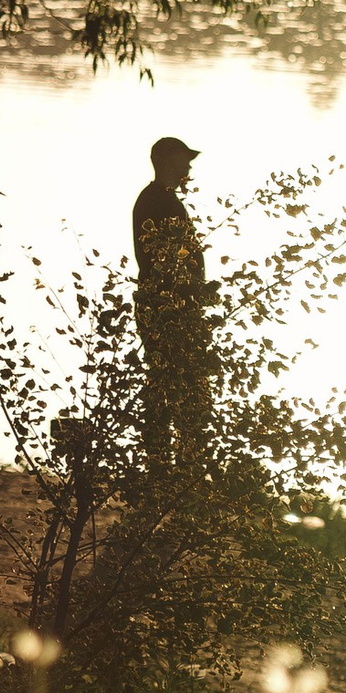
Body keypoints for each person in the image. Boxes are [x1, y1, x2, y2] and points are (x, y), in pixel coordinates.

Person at [132, 134, 210, 478]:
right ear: (166, 163)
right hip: (166, 308)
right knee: (170, 382)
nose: (189, 167)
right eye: (184, 161)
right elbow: (160, 260)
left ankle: (176, 462)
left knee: (177, 381)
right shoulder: (157, 201)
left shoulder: (162, 200)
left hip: (175, 307)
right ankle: (166, 463)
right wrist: (187, 293)